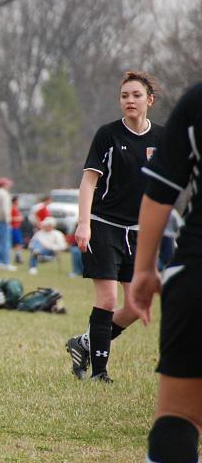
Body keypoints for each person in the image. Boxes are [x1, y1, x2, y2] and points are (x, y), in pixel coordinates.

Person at [65, 70, 164, 383]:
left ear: (149, 100)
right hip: (103, 225)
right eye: (124, 96)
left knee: (136, 304)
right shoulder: (108, 135)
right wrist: (84, 224)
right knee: (107, 300)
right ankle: (99, 373)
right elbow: (88, 182)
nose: (129, 101)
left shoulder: (162, 139)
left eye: (136, 95)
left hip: (140, 232)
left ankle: (84, 343)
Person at [130, 82, 202, 463]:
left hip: (196, 273)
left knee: (179, 417)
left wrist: (144, 269)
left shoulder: (197, 100)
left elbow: (160, 192)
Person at [11, 195, 24, 264]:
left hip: (16, 228)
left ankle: (17, 257)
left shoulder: (16, 208)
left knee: (18, 244)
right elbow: (10, 218)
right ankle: (18, 257)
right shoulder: (12, 208)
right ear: (15, 201)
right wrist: (19, 218)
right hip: (13, 228)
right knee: (18, 244)